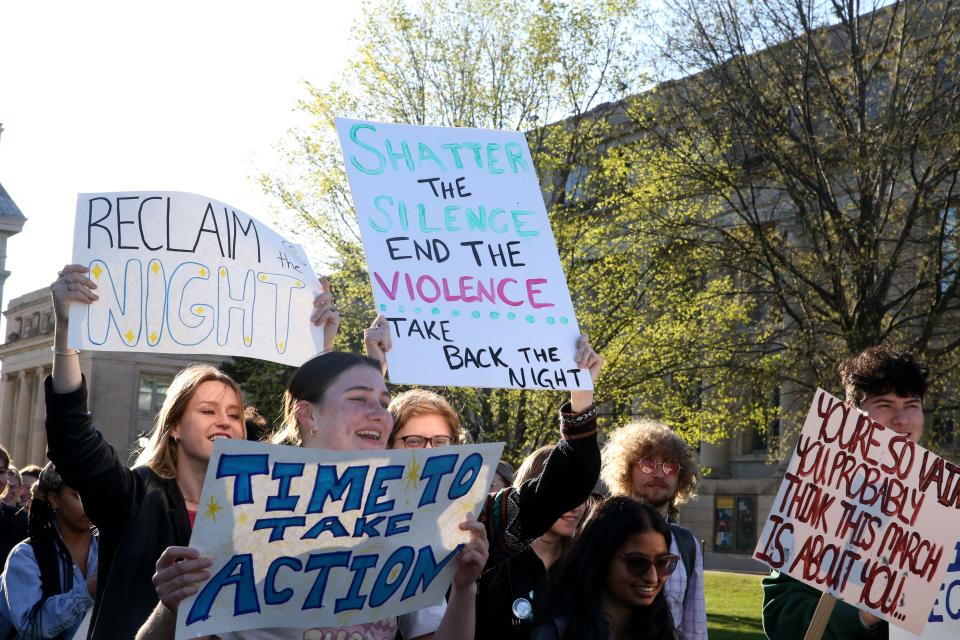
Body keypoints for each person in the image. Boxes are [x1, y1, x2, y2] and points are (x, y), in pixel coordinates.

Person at [46, 263, 341, 640]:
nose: (224, 422)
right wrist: (66, 334)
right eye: (207, 411)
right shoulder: (134, 497)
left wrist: (321, 347)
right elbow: (73, 440)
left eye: (234, 414)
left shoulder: (263, 499)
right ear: (174, 426)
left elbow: (317, 444)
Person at [141, 351, 489, 640]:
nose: (379, 414)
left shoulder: (407, 516)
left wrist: (463, 588)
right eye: (358, 399)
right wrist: (171, 606)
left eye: (384, 402)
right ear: (307, 414)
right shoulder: (243, 505)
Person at [366, 315, 604, 640]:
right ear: (388, 446)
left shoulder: (473, 523)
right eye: (413, 441)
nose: (428, 453)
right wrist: (372, 368)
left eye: (440, 442)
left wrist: (581, 395)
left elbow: (569, 482)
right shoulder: (355, 508)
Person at [761, 345, 928, 640]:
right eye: (885, 405)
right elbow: (781, 614)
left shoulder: (944, 501)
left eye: (911, 405)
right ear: (852, 413)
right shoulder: (816, 499)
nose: (902, 419)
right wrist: (866, 613)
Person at [600, 420, 706, 640]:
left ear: (681, 478)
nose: (659, 474)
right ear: (627, 471)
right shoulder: (601, 533)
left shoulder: (687, 546)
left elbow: (695, 629)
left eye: (670, 466)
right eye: (647, 464)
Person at [475, 445, 588, 640]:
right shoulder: (492, 561)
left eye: (580, 492)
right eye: (564, 491)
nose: (575, 504)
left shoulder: (585, 564)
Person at [530, 496, 679, 640]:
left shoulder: (668, 634)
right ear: (601, 556)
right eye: (637, 562)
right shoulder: (554, 633)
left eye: (662, 563)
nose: (652, 577)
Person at [0, 462, 98, 639]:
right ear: (54, 499)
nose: (91, 504)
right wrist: (87, 591)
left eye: (97, 494)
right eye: (78, 495)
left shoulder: (109, 552)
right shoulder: (26, 557)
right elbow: (31, 625)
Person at [0, 465, 28, 569]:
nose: (7, 490)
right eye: (5, 485)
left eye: (12, 487)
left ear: (21, 489)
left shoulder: (26, 521)